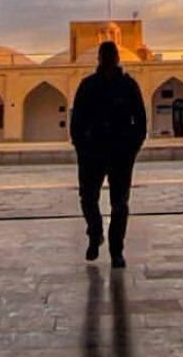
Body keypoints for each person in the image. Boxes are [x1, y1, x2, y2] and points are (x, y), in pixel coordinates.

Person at [70, 40, 147, 268]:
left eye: (111, 55)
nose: (109, 59)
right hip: (92, 153)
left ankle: (116, 250)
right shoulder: (88, 86)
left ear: (117, 57)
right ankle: (95, 234)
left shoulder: (128, 86)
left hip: (121, 153)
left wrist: (133, 147)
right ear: (100, 58)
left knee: (119, 203)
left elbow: (140, 121)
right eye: (105, 55)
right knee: (88, 198)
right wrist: (81, 146)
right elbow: (77, 121)